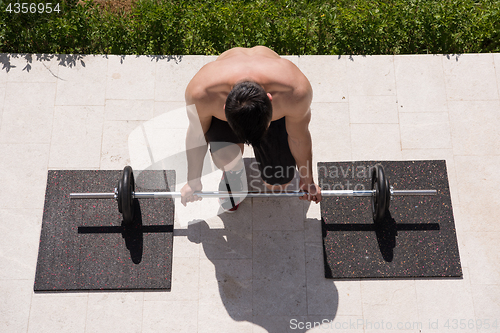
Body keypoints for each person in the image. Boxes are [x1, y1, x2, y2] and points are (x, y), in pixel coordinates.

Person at [181, 46, 321, 211]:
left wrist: (308, 180)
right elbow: (197, 135)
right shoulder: (200, 94)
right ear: (224, 107)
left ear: (271, 99)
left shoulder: (295, 93)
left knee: (278, 183)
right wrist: (193, 180)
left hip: (259, 113)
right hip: (238, 114)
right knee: (226, 159)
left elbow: (298, 138)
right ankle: (232, 172)